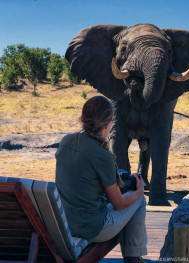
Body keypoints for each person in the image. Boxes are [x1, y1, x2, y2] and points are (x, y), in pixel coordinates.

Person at [55, 96, 147, 263]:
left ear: (83, 119)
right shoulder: (102, 155)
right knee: (139, 202)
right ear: (108, 124)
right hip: (92, 229)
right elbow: (118, 204)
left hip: (65, 224)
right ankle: (133, 258)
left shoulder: (65, 141)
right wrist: (139, 191)